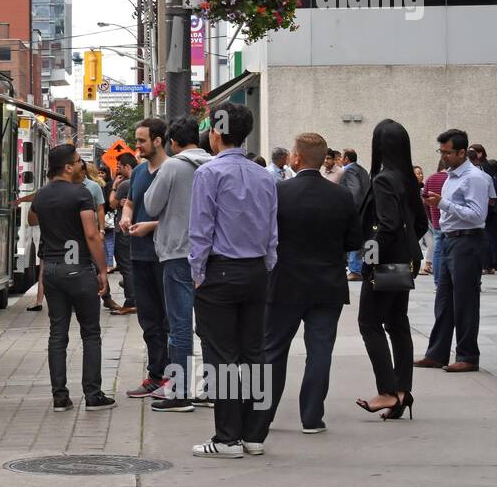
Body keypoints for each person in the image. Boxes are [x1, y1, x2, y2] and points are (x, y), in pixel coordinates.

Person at [243, 132, 362, 443]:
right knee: (320, 352)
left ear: (296, 158)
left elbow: (262, 234)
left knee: (273, 351)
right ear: (324, 158)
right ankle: (311, 416)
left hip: (283, 283)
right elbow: (354, 241)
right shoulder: (341, 196)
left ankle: (262, 415)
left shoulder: (277, 192)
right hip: (327, 285)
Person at [188, 102, 278, 458]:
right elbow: (272, 231)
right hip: (256, 270)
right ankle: (254, 435)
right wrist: (267, 265)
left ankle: (227, 438)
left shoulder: (209, 174)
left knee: (221, 356)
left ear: (216, 133)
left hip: (220, 271)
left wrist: (197, 273)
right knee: (254, 353)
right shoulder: (265, 175)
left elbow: (201, 230)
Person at [134, 115, 213, 410]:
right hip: (211, 254)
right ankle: (212, 389)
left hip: (177, 253)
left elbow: (151, 204)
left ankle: (179, 392)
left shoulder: (172, 167)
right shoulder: (213, 165)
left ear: (173, 142)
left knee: (179, 326)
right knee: (208, 326)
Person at [29, 145, 115, 412]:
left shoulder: (41, 195)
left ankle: (59, 397)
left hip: (52, 270)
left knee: (58, 333)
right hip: (78, 269)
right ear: (67, 167)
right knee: (90, 333)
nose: (81, 165)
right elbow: (92, 235)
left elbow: (33, 220)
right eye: (78, 161)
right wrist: (103, 270)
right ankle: (93, 395)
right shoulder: (80, 193)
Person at [354, 120, 429, 420]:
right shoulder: (407, 177)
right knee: (398, 324)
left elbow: (386, 225)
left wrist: (368, 257)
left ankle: (387, 391)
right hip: (406, 262)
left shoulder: (384, 179)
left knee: (369, 323)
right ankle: (401, 392)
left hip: (385, 263)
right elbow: (421, 223)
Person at [417, 129, 491, 372]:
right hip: (449, 240)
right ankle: (437, 353)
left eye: (447, 152)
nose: (443, 156)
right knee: (444, 299)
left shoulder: (474, 177)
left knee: (465, 301)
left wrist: (443, 203)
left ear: (462, 152)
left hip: (467, 241)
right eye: (441, 151)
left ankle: (468, 356)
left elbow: (478, 215)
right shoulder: (451, 176)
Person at [118, 119, 169, 396]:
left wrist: (151, 226)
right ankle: (155, 374)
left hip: (166, 256)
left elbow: (183, 215)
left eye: (141, 141)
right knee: (148, 319)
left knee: (168, 320)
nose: (136, 146)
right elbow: (130, 203)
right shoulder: (138, 172)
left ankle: (171, 377)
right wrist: (126, 217)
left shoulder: (172, 170)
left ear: (158, 140)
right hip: (139, 255)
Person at [83, 162, 127, 314]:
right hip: (74, 234)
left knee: (97, 264)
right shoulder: (68, 186)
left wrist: (101, 230)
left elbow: (100, 209)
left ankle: (106, 297)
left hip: (92, 231)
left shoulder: (93, 186)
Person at [469, 144, 497, 273]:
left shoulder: (480, 170)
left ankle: (487, 264)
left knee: (486, 237)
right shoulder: (488, 170)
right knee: (492, 236)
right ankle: (493, 263)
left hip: (485, 209)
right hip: (492, 207)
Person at [110, 153, 138, 311]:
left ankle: (131, 300)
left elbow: (112, 204)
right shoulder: (140, 180)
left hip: (124, 231)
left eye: (119, 166)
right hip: (136, 229)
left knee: (126, 266)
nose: (117, 169)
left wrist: (114, 186)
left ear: (127, 166)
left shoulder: (124, 184)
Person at [340, 149, 372, 281]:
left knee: (354, 238)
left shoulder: (349, 170)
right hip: (366, 210)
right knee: (362, 240)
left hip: (357, 211)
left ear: (346, 158)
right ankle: (358, 268)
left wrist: (351, 211)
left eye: (342, 157)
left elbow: (355, 191)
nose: (341, 159)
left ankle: (354, 270)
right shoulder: (362, 170)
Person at [422, 159, 448, 282]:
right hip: (452, 220)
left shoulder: (431, 179)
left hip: (436, 220)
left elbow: (425, 201)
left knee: (437, 250)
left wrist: (431, 217)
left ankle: (438, 281)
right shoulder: (452, 178)